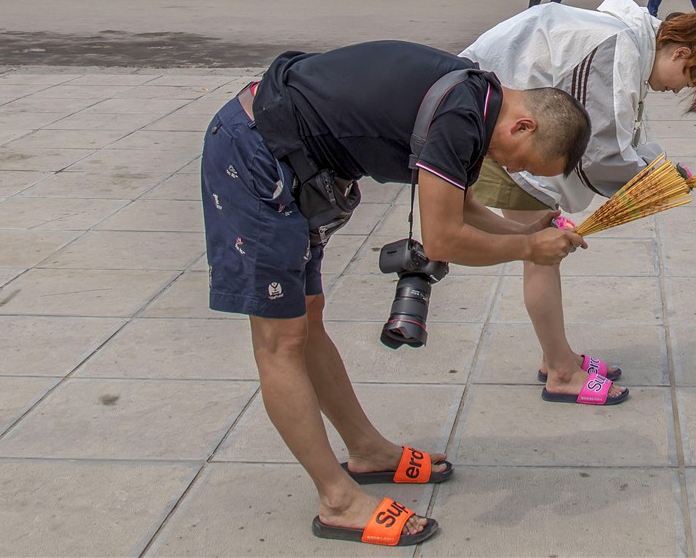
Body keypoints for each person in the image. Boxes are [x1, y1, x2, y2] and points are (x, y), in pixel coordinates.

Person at [199, 41, 591, 547]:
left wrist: (522, 231)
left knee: (308, 320)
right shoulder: (463, 117)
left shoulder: (478, 98)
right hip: (253, 153)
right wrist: (528, 250)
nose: (513, 169)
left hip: (288, 160)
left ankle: (366, 450)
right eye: (525, 163)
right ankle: (337, 500)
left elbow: (461, 205)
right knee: (281, 341)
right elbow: (442, 239)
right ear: (524, 126)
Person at [462, 0, 696, 406]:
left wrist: (659, 168)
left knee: (542, 252)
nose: (676, 89)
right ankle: (562, 373)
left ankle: (557, 357)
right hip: (500, 136)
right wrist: (658, 180)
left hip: (500, 121)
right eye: (686, 79)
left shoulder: (625, 40)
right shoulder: (617, 45)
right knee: (540, 254)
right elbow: (599, 154)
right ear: (679, 51)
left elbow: (611, 135)